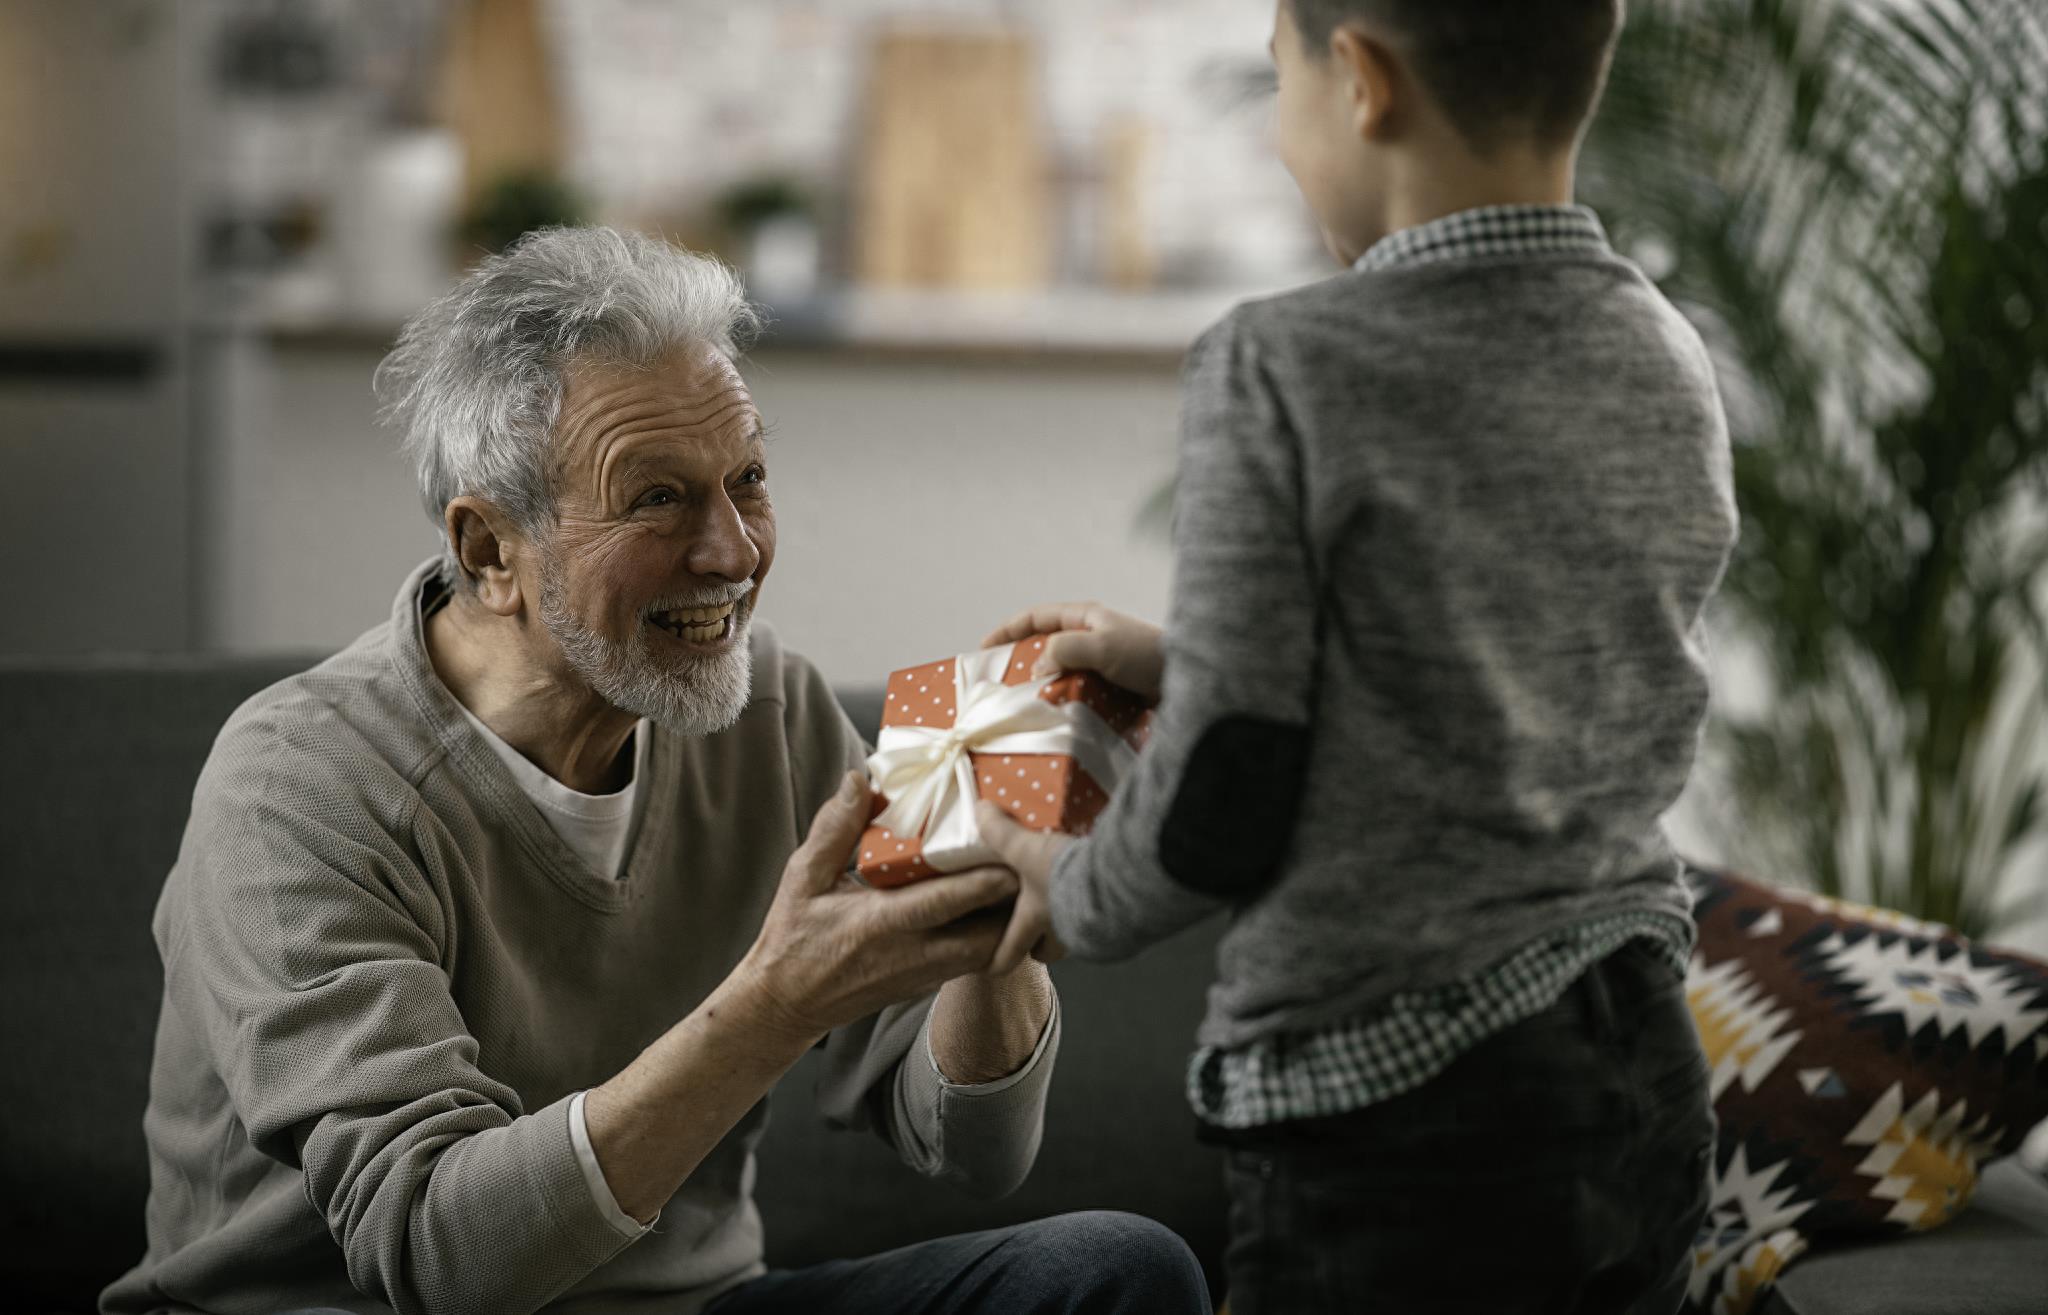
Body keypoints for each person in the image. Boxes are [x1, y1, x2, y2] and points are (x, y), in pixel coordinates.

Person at [100, 228, 1207, 1315]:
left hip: (693, 1303)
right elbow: (439, 1257)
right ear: (489, 550)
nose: (734, 550)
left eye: (747, 478)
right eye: (657, 498)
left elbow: (973, 1151)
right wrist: (774, 1005)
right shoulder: (297, 785)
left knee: (1116, 1269)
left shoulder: (769, 713)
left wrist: (990, 918)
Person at [974, 3, 1738, 1312]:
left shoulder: (1280, 366)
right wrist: (1179, 656)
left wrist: (1062, 877)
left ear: (1362, 81)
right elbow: (1505, 659)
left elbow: (1227, 787)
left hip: (1400, 1114)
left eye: (1280, 86)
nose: (1279, 139)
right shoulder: (1663, 353)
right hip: (1640, 1065)